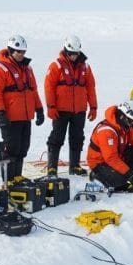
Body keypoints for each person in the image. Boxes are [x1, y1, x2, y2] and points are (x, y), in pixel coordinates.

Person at [0, 34, 44, 181]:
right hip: (10, 118)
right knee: (10, 150)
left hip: (25, 117)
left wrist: (39, 109)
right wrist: (1, 114)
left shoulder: (28, 69)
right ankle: (8, 180)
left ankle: (17, 177)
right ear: (10, 51)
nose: (21, 55)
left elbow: (33, 91)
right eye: (18, 51)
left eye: (23, 52)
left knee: (22, 148)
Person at [44, 34, 98, 176]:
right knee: (56, 138)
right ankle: (52, 167)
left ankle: (74, 166)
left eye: (76, 53)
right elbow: (49, 87)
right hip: (60, 111)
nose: (73, 56)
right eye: (71, 54)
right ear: (66, 51)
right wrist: (51, 106)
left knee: (77, 138)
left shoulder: (85, 67)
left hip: (79, 110)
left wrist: (93, 107)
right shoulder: (56, 66)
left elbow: (91, 87)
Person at [87, 100, 133, 193]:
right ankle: (98, 176)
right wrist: (130, 175)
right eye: (130, 120)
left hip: (117, 158)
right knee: (121, 178)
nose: (131, 123)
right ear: (122, 116)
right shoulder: (106, 131)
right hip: (100, 163)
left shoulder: (123, 127)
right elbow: (111, 158)